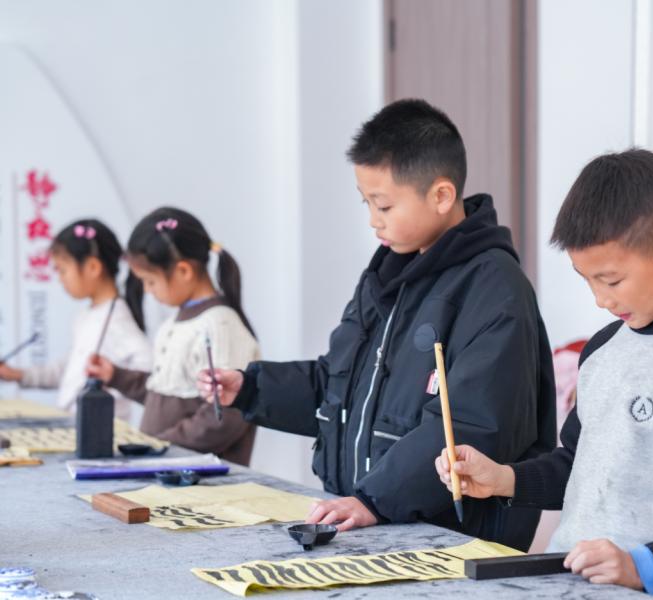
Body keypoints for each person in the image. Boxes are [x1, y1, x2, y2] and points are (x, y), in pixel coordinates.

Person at [198, 99, 556, 550]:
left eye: (383, 205)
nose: (372, 220)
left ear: (441, 196)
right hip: (377, 530)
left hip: (453, 545)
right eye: (366, 202)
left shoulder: (495, 289)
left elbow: (472, 423)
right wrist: (252, 388)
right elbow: (338, 385)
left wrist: (375, 500)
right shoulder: (387, 276)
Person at [435, 149, 653, 598]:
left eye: (612, 280)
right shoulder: (603, 349)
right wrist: (503, 479)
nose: (600, 300)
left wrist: (644, 567)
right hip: (574, 587)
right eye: (587, 280)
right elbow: (578, 465)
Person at [88, 207, 259, 466]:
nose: (148, 290)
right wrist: (115, 376)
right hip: (165, 472)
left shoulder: (220, 325)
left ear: (183, 271)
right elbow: (165, 396)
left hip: (201, 483)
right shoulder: (173, 323)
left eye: (150, 281)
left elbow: (224, 417)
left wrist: (160, 445)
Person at [0, 219, 151, 421]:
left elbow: (151, 376)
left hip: (101, 431)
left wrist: (115, 382)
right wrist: (18, 375)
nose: (60, 278)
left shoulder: (117, 320)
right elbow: (70, 371)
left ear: (93, 267)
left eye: (62, 270)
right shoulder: (87, 315)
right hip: (76, 427)